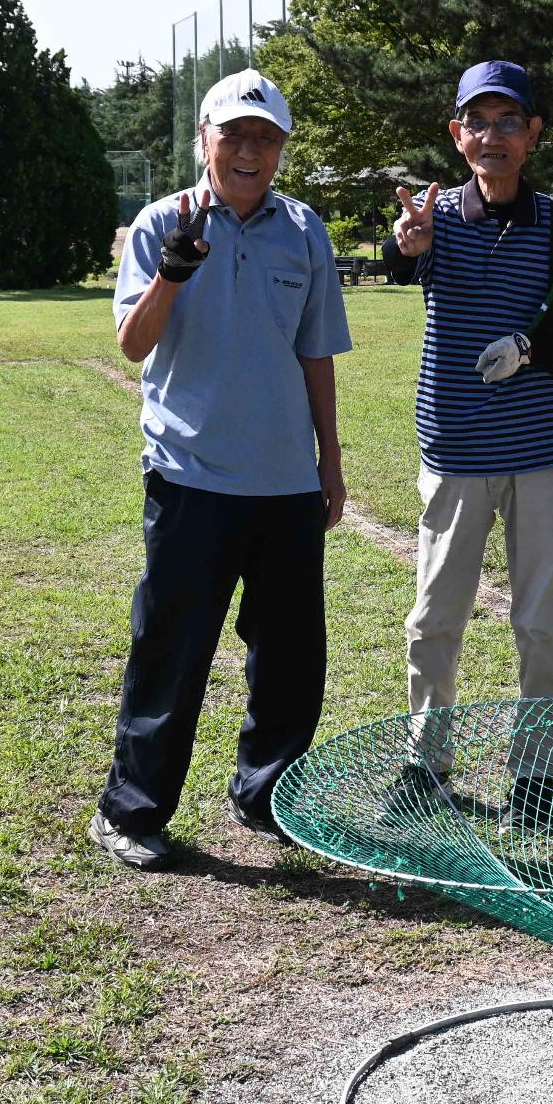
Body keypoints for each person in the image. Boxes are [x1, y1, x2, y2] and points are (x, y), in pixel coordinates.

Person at [88, 69, 351, 870]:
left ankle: (266, 795)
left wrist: (330, 462)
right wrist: (174, 270)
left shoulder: (303, 230)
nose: (249, 150)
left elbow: (316, 352)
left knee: (291, 657)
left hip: (285, 483)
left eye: (266, 138)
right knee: (172, 650)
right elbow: (133, 345)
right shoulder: (160, 223)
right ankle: (131, 811)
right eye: (233, 134)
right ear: (204, 139)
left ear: (280, 152)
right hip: (190, 477)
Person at [380, 60, 553, 829]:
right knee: (433, 617)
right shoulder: (435, 217)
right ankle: (427, 763)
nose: (493, 137)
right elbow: (401, 259)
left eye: (509, 121)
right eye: (477, 123)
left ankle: (535, 781)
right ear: (457, 135)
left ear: (533, 133)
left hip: (543, 452)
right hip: (452, 449)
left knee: (539, 622)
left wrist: (529, 347)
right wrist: (404, 244)